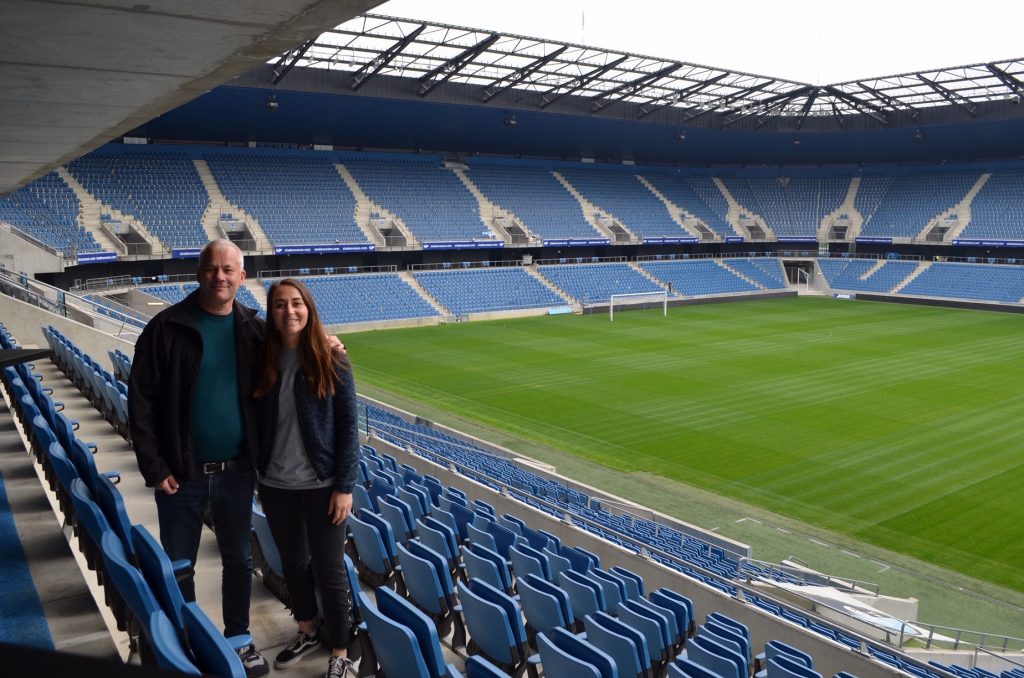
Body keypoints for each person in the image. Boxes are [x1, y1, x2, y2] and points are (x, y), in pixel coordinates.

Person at [128, 239, 269, 676]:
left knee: (239, 560)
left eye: (229, 270)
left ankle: (237, 639)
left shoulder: (254, 329)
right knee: (178, 566)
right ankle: (185, 640)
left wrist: (330, 345)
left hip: (237, 470)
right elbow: (141, 403)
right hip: (180, 475)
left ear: (242, 278)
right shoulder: (166, 327)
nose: (220, 277)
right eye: (212, 269)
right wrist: (156, 467)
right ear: (198, 271)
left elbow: (297, 352)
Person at [252, 278, 359, 678]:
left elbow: (349, 426)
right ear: (271, 312)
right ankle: (307, 629)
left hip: (323, 486)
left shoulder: (333, 359)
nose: (289, 311)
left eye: (297, 303)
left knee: (330, 569)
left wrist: (344, 486)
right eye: (280, 305)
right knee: (293, 564)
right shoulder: (263, 358)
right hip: (277, 485)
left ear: (309, 308)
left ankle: (340, 651)